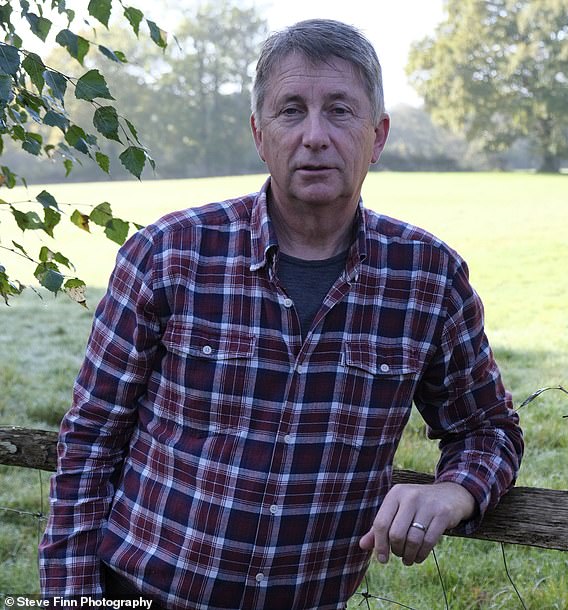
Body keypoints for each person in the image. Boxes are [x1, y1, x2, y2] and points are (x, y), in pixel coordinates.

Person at [39, 18, 523, 610]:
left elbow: (488, 430)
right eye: (291, 110)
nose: (315, 135)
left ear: (379, 134)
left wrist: (456, 491)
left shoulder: (428, 278)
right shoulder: (168, 254)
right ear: (259, 134)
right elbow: (89, 443)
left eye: (340, 110)